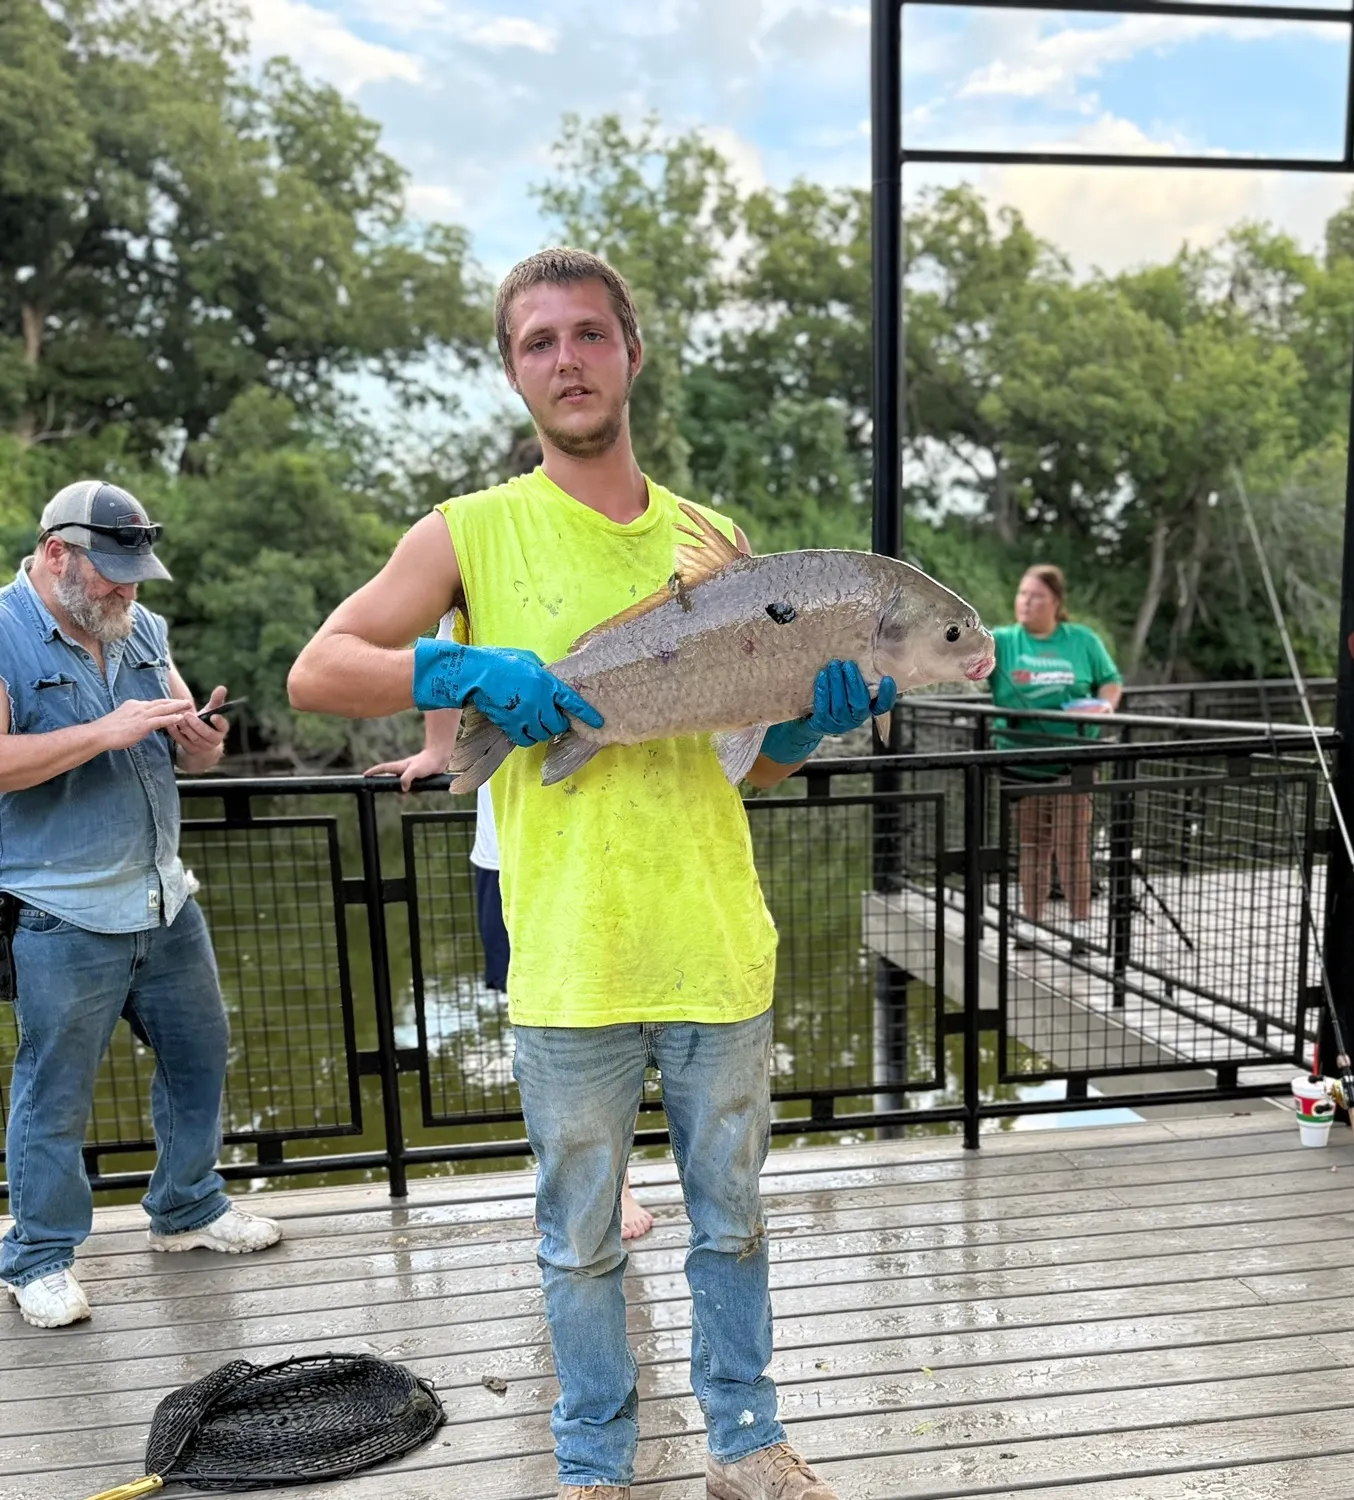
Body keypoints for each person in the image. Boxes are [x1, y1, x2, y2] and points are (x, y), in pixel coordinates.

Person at [290, 247, 894, 1500]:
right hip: (565, 957)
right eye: (538, 343)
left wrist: (799, 725)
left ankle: (746, 1445)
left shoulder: (715, 541)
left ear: (630, 352)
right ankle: (593, 1464)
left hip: (718, 941)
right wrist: (457, 674)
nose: (566, 360)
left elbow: (749, 770)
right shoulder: (471, 531)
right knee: (577, 1246)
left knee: (733, 1224)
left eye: (587, 335)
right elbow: (321, 670)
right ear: (515, 373)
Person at [0, 482, 281, 1330]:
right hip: (59, 911)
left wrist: (204, 742)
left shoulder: (143, 628)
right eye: (113, 574)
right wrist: (104, 732)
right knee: (56, 1093)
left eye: (135, 574)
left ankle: (186, 1209)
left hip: (164, 899)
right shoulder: (5, 630)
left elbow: (188, 748)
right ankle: (38, 1258)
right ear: (57, 555)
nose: (128, 590)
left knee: (201, 1057)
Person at [366, 605, 656, 1241]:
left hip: (609, 843)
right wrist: (438, 750)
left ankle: (619, 1178)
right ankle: (567, 1172)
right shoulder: (468, 569)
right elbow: (440, 666)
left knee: (619, 1016)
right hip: (508, 857)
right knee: (535, 1024)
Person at [988, 564, 1123, 952]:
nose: (1026, 602)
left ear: (1056, 602)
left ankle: (1079, 928)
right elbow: (964, 662)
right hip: (1021, 759)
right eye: (1022, 594)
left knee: (1072, 844)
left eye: (1036, 596)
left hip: (1073, 758)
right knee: (1033, 845)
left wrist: (1104, 707)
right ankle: (1030, 925)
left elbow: (1111, 680)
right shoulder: (1003, 641)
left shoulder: (1081, 640)